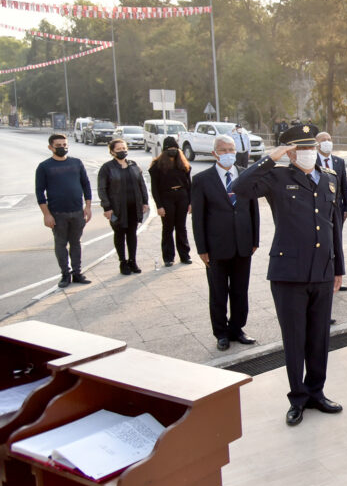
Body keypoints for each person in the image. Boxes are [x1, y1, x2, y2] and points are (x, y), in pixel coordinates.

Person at [231, 124, 345, 427]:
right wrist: (271, 158)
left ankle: (316, 393)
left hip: (322, 270)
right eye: (301, 148)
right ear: (291, 151)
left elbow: (334, 227)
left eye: (311, 147)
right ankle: (298, 397)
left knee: (319, 338)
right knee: (295, 339)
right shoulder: (277, 177)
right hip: (289, 273)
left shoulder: (330, 179)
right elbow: (240, 188)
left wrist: (339, 268)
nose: (308, 153)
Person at [191, 134, 260, 351]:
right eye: (223, 150)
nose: (228, 153)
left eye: (231, 149)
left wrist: (255, 239)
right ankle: (221, 333)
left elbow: (253, 210)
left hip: (243, 244)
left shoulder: (245, 175)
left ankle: (237, 328)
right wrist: (202, 248)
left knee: (240, 290)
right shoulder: (202, 180)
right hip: (216, 247)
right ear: (214, 153)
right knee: (218, 292)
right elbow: (198, 217)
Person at [35, 133, 92, 288]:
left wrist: (87, 207)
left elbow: (86, 185)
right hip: (57, 214)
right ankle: (65, 275)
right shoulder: (44, 167)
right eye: (58, 146)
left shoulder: (77, 163)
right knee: (60, 244)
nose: (62, 148)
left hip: (77, 212)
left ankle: (77, 273)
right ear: (50, 147)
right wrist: (46, 215)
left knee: (76, 243)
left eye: (64, 145)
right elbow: (39, 193)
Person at [98, 139, 149, 275]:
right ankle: (123, 262)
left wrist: (145, 202)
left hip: (134, 206)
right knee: (119, 234)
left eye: (124, 148)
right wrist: (107, 208)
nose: (122, 151)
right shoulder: (107, 168)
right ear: (112, 151)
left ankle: (133, 261)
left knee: (132, 234)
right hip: (117, 208)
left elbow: (141, 185)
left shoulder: (133, 165)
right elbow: (102, 189)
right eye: (119, 149)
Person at [148, 136, 192, 267]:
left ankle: (185, 255)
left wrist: (190, 202)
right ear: (164, 150)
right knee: (168, 228)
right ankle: (168, 257)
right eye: (169, 149)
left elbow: (189, 184)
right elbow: (154, 188)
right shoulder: (157, 166)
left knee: (181, 227)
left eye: (175, 148)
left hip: (182, 196)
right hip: (166, 197)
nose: (173, 151)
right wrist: (159, 206)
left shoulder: (184, 164)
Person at [316, 131, 347, 292]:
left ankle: (336, 275)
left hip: (337, 209)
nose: (327, 142)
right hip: (320, 210)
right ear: (317, 143)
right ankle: (324, 277)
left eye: (329, 139)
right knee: (323, 243)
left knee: (337, 242)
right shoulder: (312, 161)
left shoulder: (338, 161)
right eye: (323, 140)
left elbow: (343, 186)